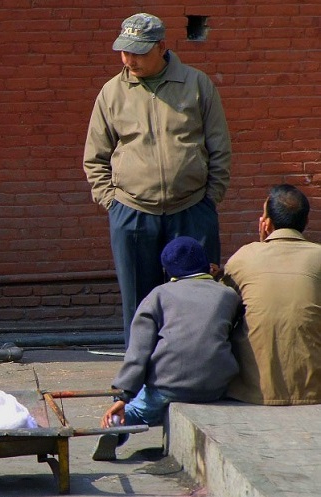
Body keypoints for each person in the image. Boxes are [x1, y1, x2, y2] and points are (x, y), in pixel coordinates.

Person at [83, 13, 232, 347]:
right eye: (124, 51)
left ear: (162, 47)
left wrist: (211, 196)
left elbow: (219, 146)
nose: (129, 59)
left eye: (138, 51)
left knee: (199, 296)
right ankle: (140, 377)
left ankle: (197, 367)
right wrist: (112, 201)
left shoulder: (196, 84)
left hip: (192, 209)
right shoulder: (112, 93)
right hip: (132, 211)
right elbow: (95, 156)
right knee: (139, 302)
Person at [92, 236, 241, 461]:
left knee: (137, 409)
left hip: (167, 386)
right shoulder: (228, 296)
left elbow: (138, 352)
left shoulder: (158, 295)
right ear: (206, 264)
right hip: (215, 387)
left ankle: (116, 428)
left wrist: (122, 396)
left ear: (169, 271)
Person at [222, 184, 321, 405]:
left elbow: (222, 309)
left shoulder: (243, 257)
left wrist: (260, 243)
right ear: (305, 222)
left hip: (253, 390)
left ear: (265, 223)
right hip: (314, 390)